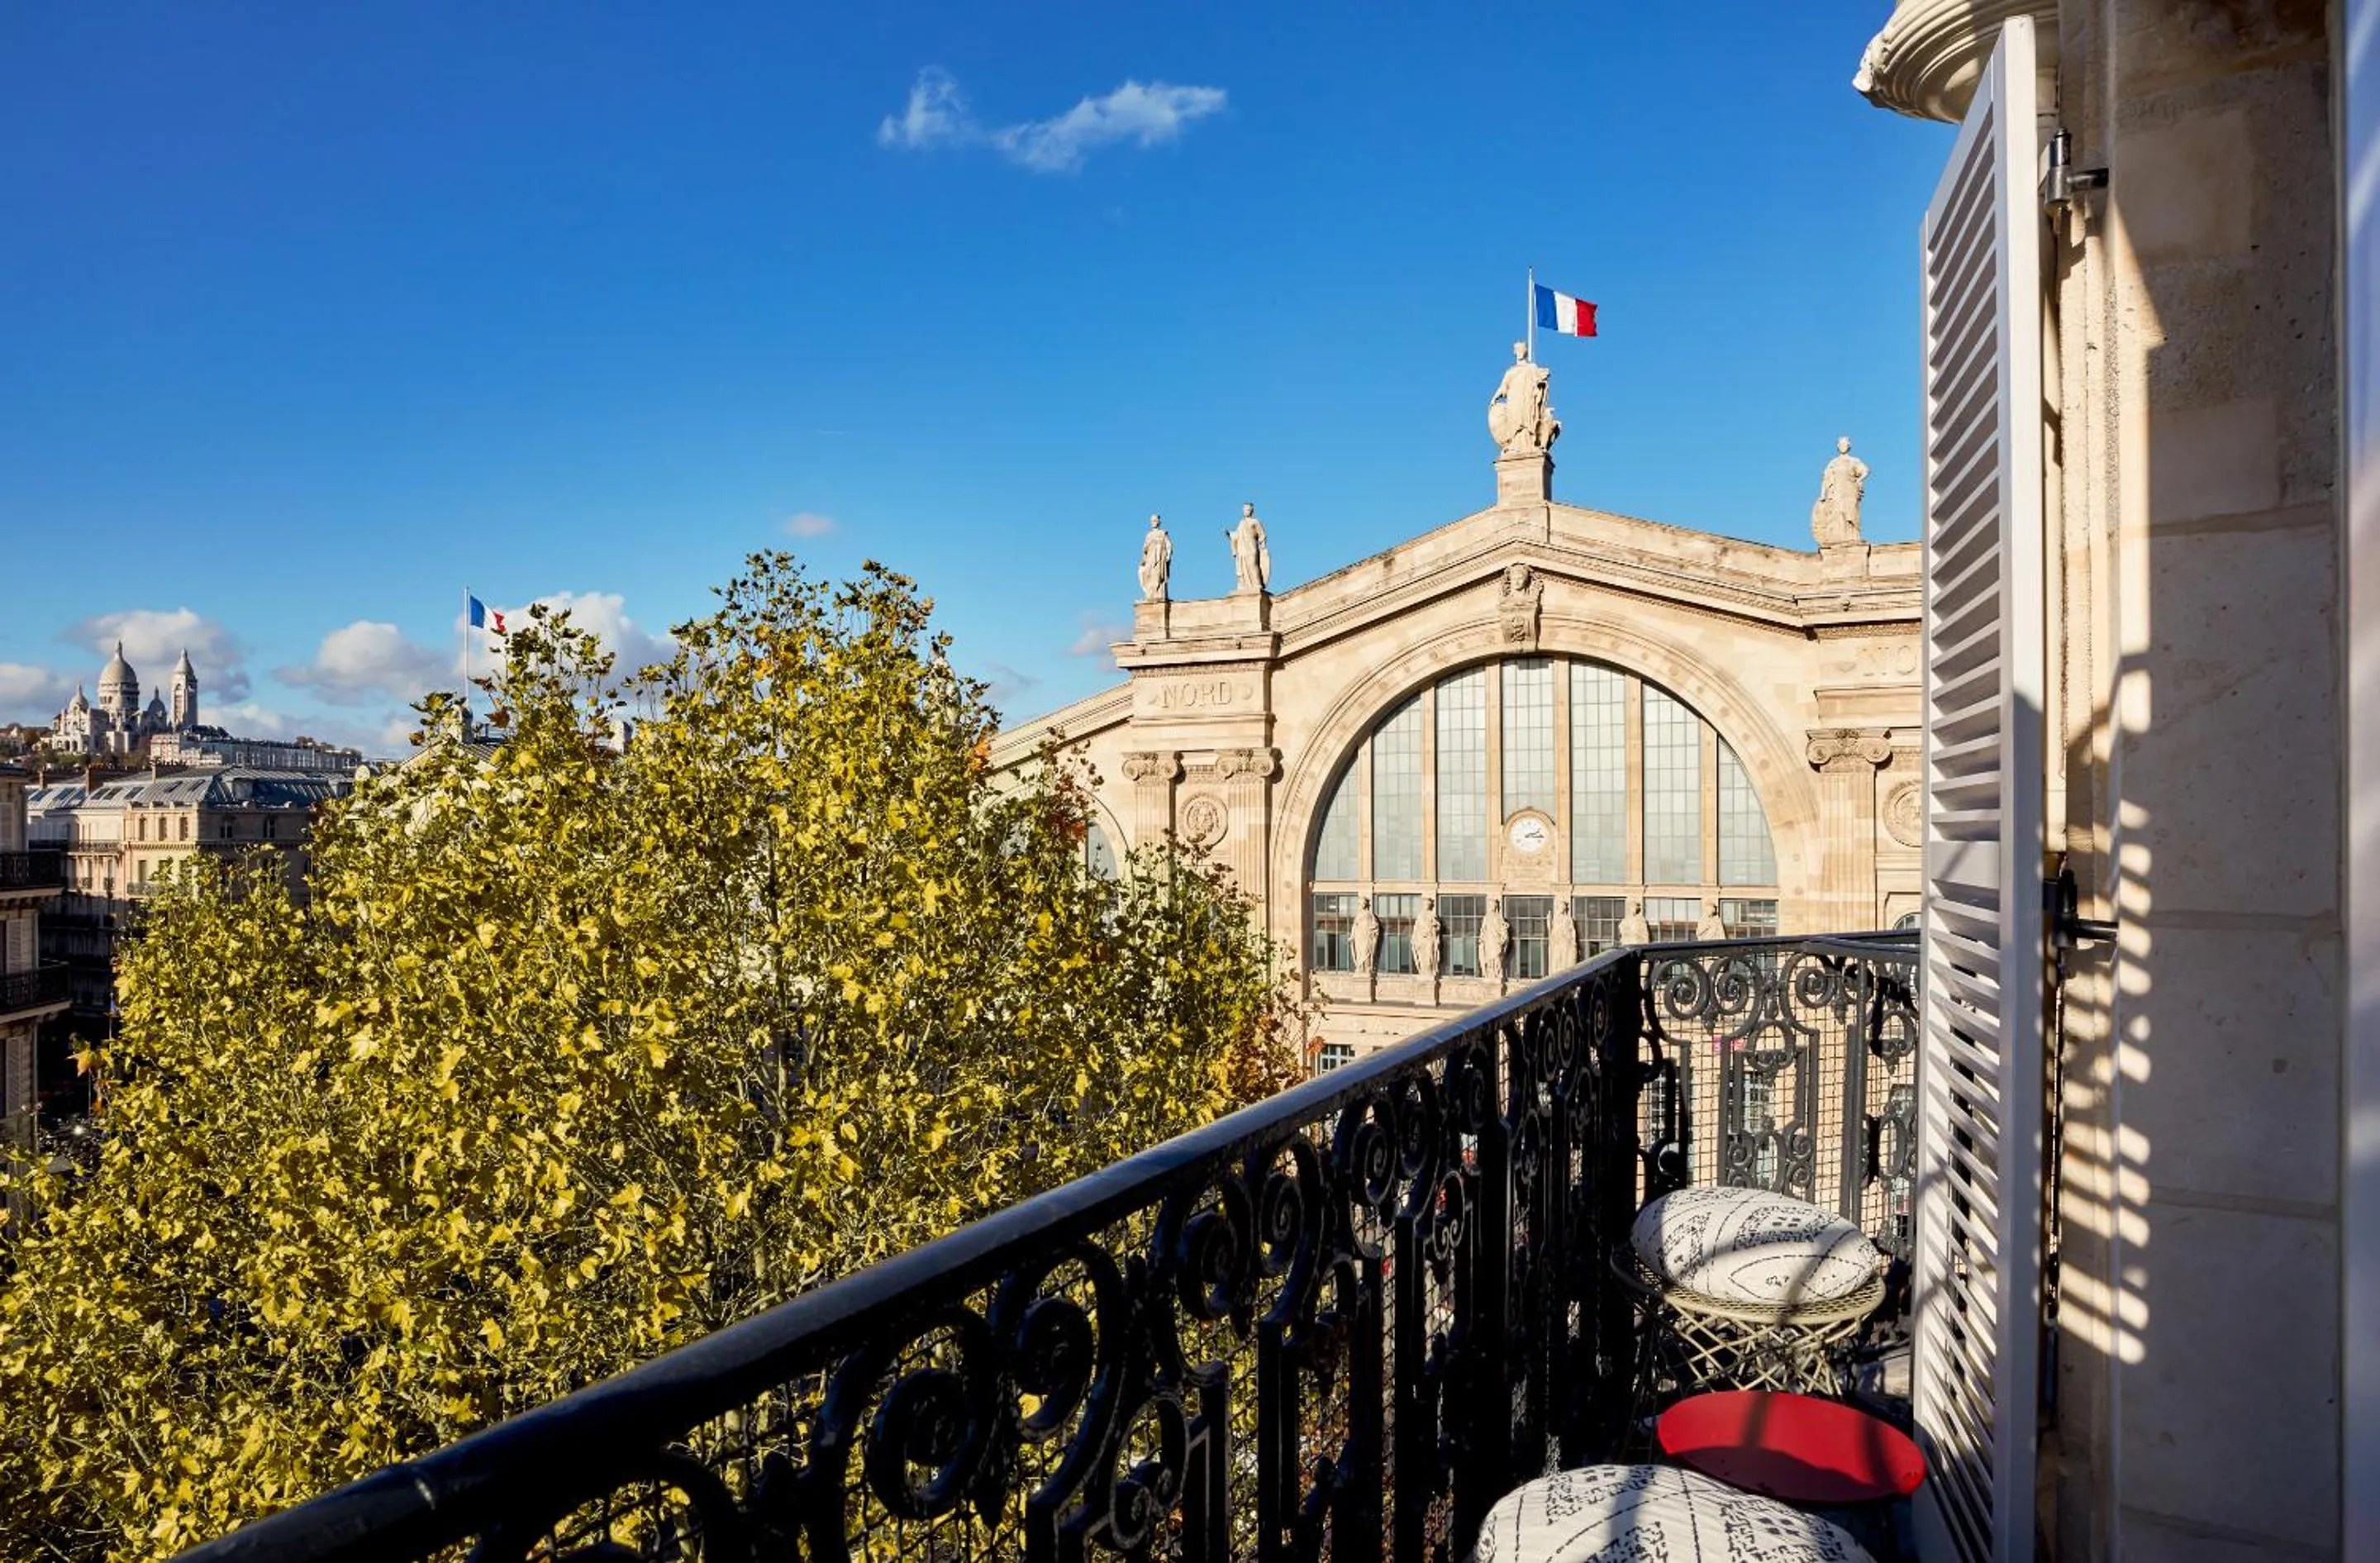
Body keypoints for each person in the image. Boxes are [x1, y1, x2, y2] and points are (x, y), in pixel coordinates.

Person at [1137, 514, 1172, 601]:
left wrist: (1168, 555)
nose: (1154, 523)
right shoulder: (1148, 535)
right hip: (1150, 558)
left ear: (1159, 522)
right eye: (1152, 521)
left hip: (1160, 558)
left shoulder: (1163, 533)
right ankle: (1150, 593)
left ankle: (1158, 593)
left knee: (1157, 575)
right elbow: (1145, 549)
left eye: (1155, 521)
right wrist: (1144, 559)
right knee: (1147, 574)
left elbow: (1169, 545)